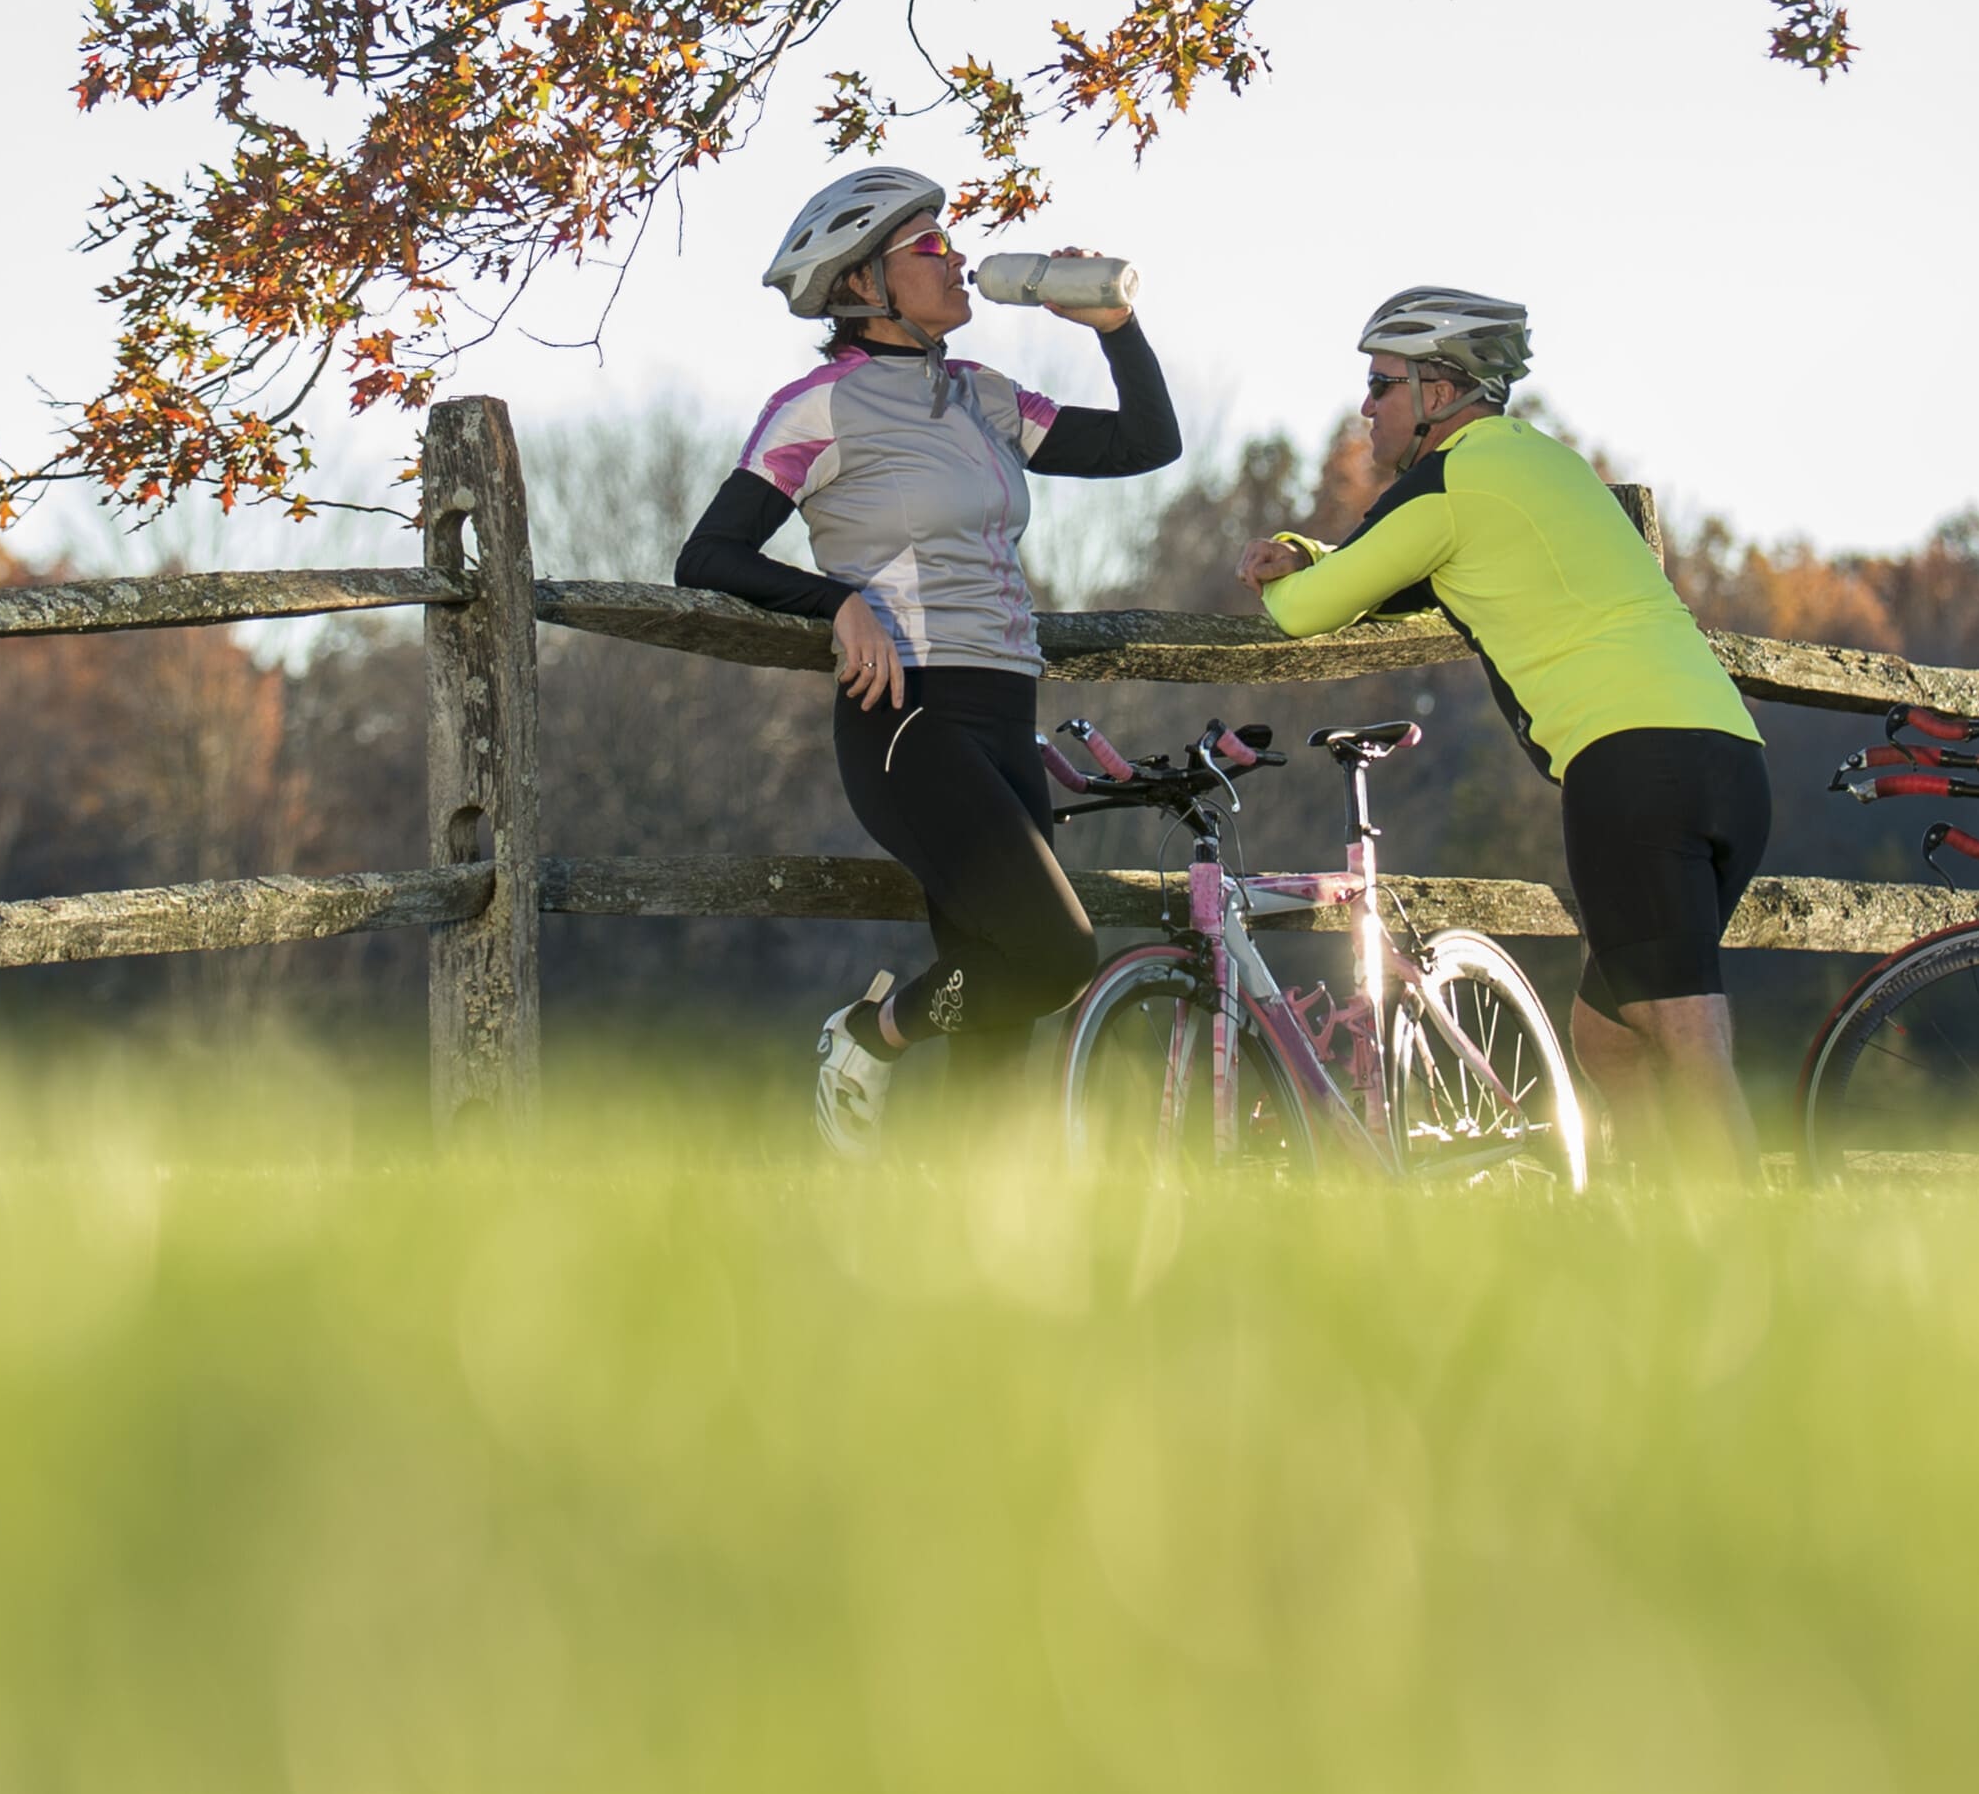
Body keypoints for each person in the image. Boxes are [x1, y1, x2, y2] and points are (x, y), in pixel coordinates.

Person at [672, 166, 1182, 1147]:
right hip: (908, 716)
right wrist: (840, 603)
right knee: (1053, 955)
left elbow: (1145, 443)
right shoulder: (818, 406)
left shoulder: (981, 395)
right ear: (861, 281)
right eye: (930, 246)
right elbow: (709, 556)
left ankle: (966, 1213)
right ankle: (870, 1033)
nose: (956, 259)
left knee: (1004, 1012)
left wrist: (1116, 327)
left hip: (1007, 713)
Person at [1243, 288, 1767, 1173]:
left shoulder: (1444, 485)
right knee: (1610, 1035)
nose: (1366, 405)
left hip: (1630, 769)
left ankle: (1754, 1248)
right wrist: (1314, 548)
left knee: (1688, 1042)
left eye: (1383, 384)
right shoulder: (1548, 463)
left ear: (1441, 391)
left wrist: (1282, 563)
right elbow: (1391, 570)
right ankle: (1674, 1233)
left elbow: (1309, 609)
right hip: (1729, 761)